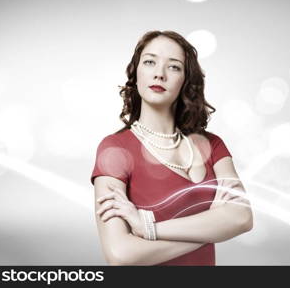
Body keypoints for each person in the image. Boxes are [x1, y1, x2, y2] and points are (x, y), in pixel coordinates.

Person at [90, 30, 253, 266]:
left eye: (174, 67)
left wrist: (149, 229)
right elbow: (120, 254)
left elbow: (242, 218)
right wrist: (213, 229)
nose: (159, 73)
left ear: (186, 80)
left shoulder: (213, 145)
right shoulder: (114, 149)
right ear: (136, 73)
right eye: (149, 62)